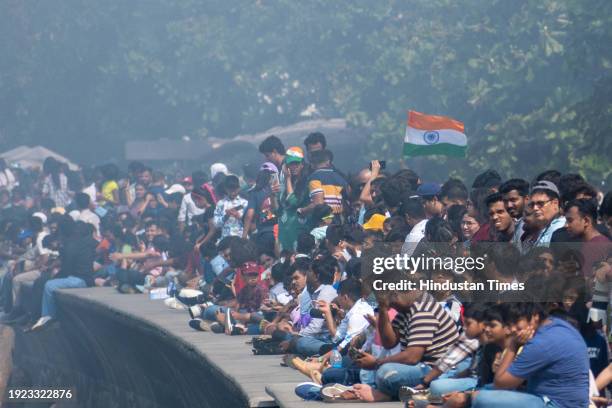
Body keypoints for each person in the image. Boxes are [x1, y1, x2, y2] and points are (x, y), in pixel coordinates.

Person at [351, 269, 459, 401]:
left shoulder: (422, 310)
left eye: (388, 301)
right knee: (377, 371)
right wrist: (383, 309)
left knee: (387, 373)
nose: (390, 305)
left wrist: (376, 363)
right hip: (421, 367)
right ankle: (387, 392)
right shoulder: (406, 309)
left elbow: (412, 357)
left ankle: (385, 395)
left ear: (395, 294)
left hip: (436, 370)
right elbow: (389, 343)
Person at [470, 303, 590, 408]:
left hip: (556, 403)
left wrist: (513, 345)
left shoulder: (542, 342)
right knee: (483, 391)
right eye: (509, 323)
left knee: (480, 400)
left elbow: (501, 383)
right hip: (552, 399)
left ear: (534, 316)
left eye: (516, 322)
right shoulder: (557, 325)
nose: (512, 329)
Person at [31, 221, 97, 330]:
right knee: (49, 282)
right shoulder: (80, 243)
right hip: (81, 278)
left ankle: (48, 317)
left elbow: (66, 269)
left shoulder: (72, 245)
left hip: (80, 279)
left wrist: (55, 277)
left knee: (49, 285)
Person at [513, 180, 566, 254]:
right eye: (532, 204)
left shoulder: (561, 227)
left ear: (555, 203)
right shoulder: (544, 227)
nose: (535, 208)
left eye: (540, 203)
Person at [564, 198, 611, 277]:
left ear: (586, 221)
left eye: (570, 220)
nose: (566, 225)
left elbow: (587, 284)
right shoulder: (596, 243)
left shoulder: (595, 247)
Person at [299, 149, 348, 221]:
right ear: (328, 162)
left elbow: (318, 203)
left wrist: (302, 211)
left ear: (312, 164)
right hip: (338, 221)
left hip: (323, 221)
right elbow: (348, 198)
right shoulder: (341, 179)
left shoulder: (314, 178)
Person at [278, 146, 309, 251]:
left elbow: (293, 202)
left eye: (297, 163)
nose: (294, 166)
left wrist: (287, 178)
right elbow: (281, 204)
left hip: (302, 228)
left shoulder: (307, 181)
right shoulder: (289, 181)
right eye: (291, 164)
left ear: (302, 164)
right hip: (288, 230)